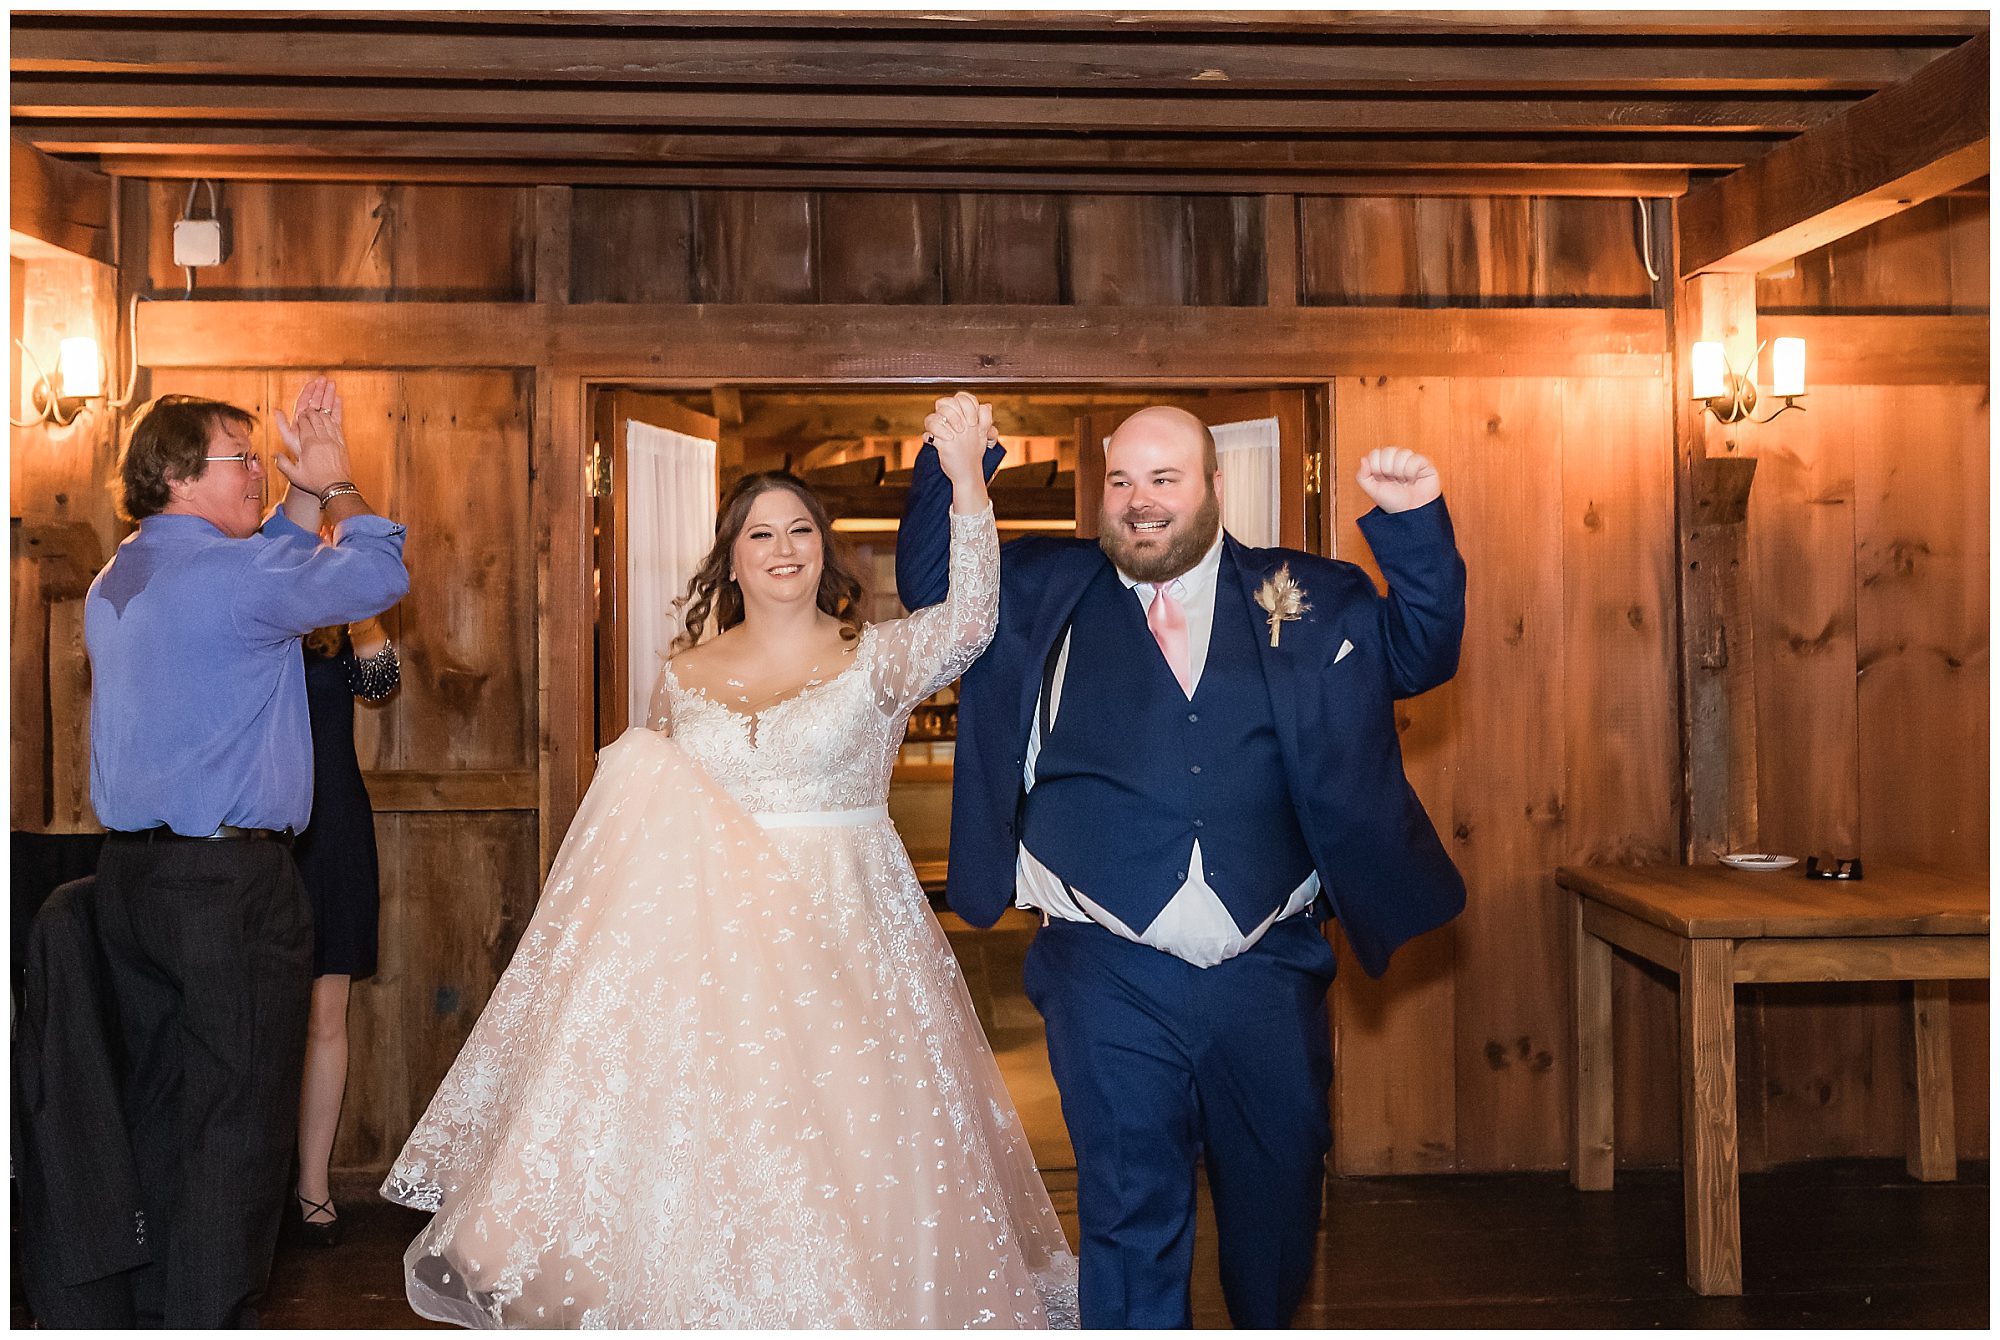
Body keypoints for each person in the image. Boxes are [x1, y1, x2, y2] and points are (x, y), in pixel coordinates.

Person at [383, 393, 1078, 1328]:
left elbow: (972, 621)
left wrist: (965, 484)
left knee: (846, 1148)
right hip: (709, 959)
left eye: (801, 530)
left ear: (825, 552)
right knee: (714, 1147)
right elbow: (649, 823)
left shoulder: (877, 658)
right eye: (761, 534)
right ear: (732, 558)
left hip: (844, 941)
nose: (783, 547)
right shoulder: (683, 676)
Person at [895, 405, 1467, 1328]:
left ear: (1212, 487)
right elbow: (932, 588)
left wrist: (1414, 525)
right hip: (1104, 966)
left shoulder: (1305, 591)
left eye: (1165, 479)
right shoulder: (1039, 585)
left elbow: (1419, 654)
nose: (1140, 501)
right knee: (1129, 1209)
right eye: (1121, 480)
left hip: (1269, 965)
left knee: (1279, 1197)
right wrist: (957, 463)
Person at [83, 378, 409, 1327]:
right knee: (239, 1124)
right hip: (226, 889)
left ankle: (157, 1310)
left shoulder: (122, 574)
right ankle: (212, 1317)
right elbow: (377, 576)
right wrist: (337, 484)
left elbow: (260, 565)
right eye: (243, 460)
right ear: (183, 476)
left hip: (134, 881)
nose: (259, 472)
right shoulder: (229, 580)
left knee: (165, 1106)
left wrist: (295, 497)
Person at [292, 613, 401, 1246]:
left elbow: (381, 681)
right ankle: (249, 1192)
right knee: (251, 1017)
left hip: (331, 827)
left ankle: (314, 1189)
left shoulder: (336, 620)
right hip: (252, 830)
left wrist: (360, 604)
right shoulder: (248, 604)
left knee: (326, 1015)